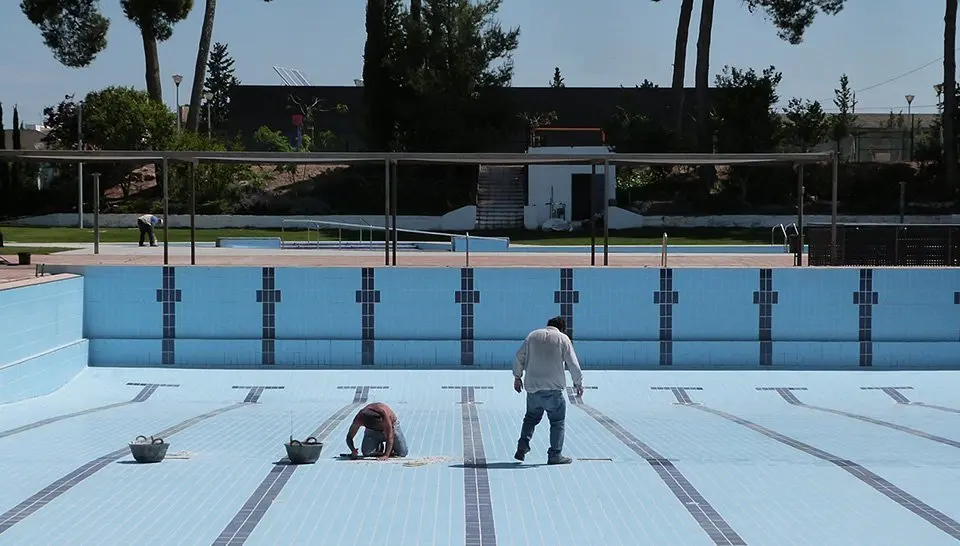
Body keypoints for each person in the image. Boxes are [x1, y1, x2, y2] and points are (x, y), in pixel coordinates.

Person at [513, 316, 583, 465]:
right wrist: (578, 383)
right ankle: (555, 455)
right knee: (557, 422)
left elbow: (519, 357)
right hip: (553, 390)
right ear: (562, 328)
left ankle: (522, 445)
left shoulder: (532, 336)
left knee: (530, 418)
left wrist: (517, 377)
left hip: (533, 388)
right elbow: (573, 363)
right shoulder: (563, 339)